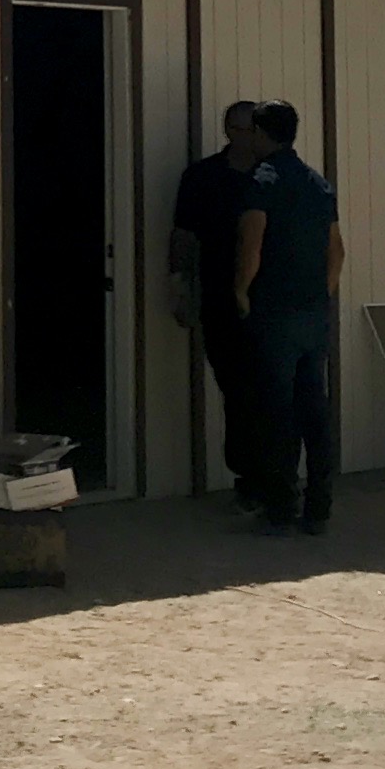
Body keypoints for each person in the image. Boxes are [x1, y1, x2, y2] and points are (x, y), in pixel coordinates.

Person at [228, 99, 343, 535]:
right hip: (313, 312)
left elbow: (252, 245)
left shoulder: (263, 180)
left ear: (261, 133)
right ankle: (319, 506)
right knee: (314, 410)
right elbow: (337, 250)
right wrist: (322, 292)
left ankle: (280, 506)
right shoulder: (318, 184)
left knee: (275, 412)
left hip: (274, 313)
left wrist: (241, 291)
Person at [166, 99, 271, 509]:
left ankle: (270, 476)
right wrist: (179, 287)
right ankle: (248, 472)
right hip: (219, 298)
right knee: (235, 387)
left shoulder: (274, 178)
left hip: (269, 300)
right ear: (230, 131)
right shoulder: (201, 178)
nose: (253, 137)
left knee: (269, 389)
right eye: (246, 129)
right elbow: (183, 235)